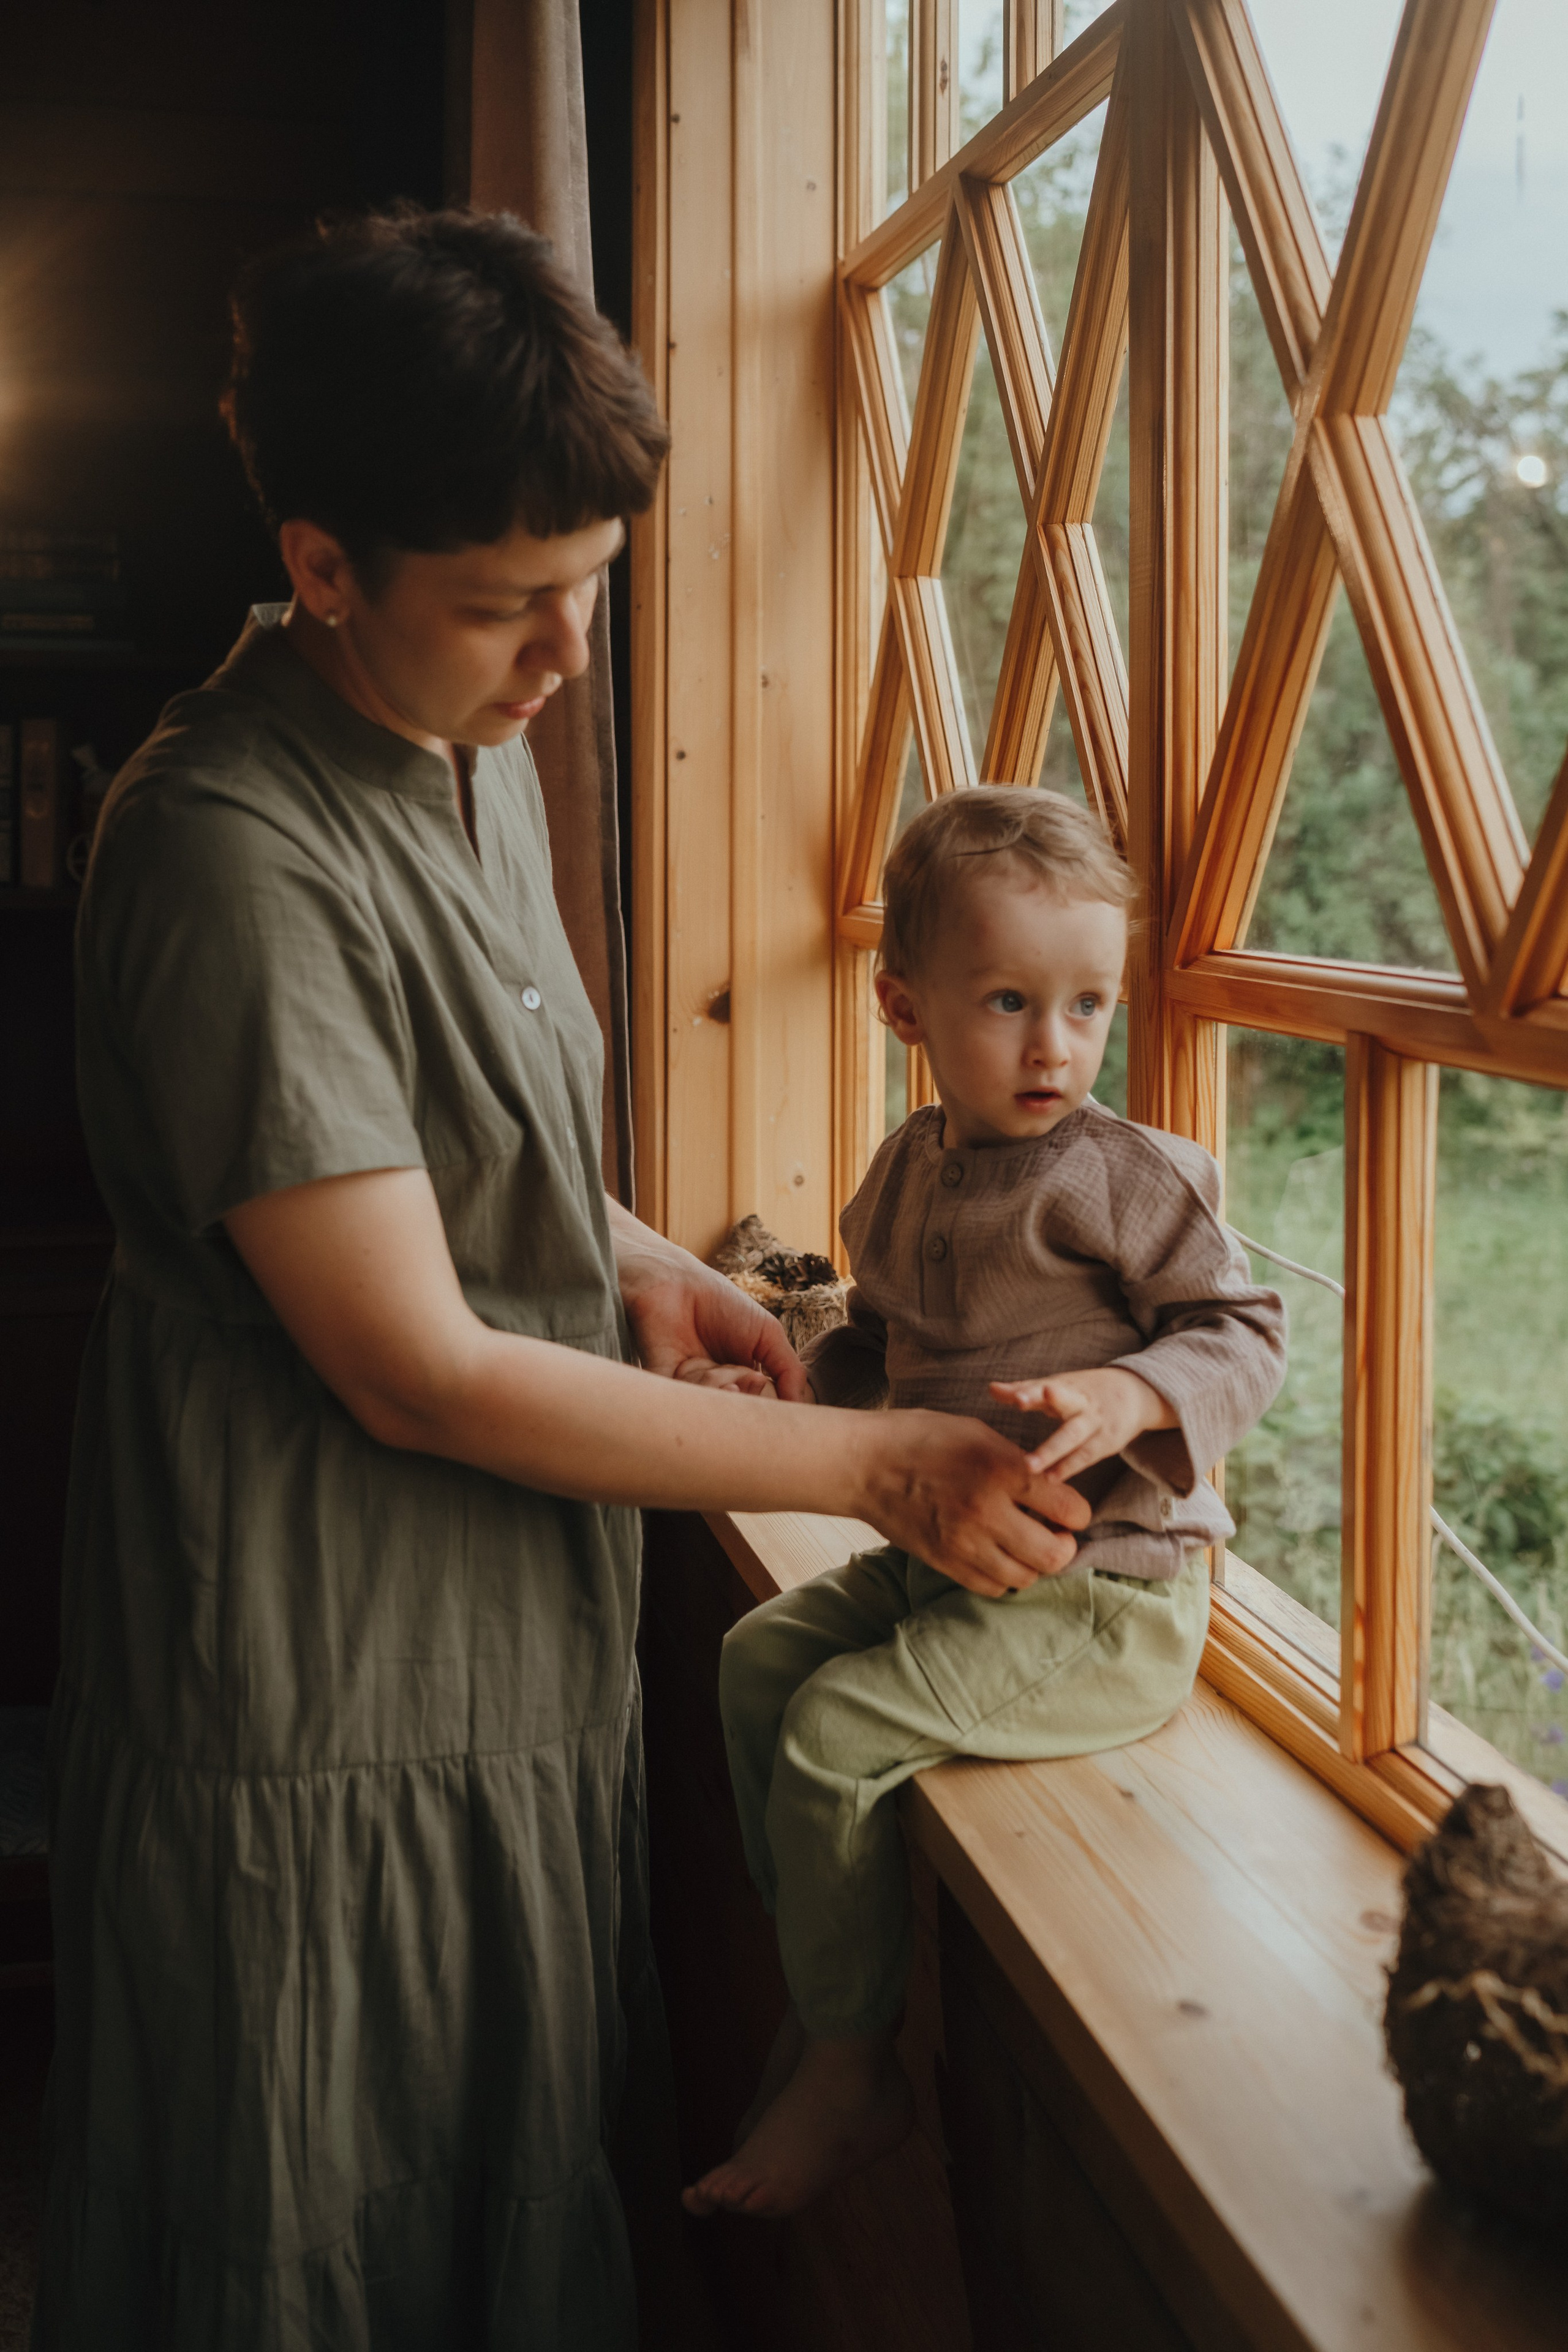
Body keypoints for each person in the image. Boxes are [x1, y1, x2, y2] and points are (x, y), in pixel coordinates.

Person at [31, 213, 1094, 2349]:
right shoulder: (229, 847)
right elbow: (414, 1362)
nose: (562, 665)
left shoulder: (464, 744)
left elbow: (439, 1147)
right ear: (322, 567)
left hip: (497, 1636)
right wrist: (883, 1466)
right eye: (510, 607)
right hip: (309, 1650)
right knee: (314, 2167)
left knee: (489, 2152)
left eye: (589, 592)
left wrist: (628, 1258)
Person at [685, 788, 1288, 2222]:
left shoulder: (1122, 1178)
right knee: (755, 1659)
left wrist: (1133, 1398)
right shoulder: (904, 1173)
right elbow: (880, 1350)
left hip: (1101, 1592)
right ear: (904, 1007)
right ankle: (829, 1982)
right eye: (1009, 1000)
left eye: (1087, 1005)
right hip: (946, 1555)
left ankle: (849, 2063)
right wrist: (795, 1398)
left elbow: (1244, 1332)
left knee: (833, 1736)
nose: (1052, 1046)